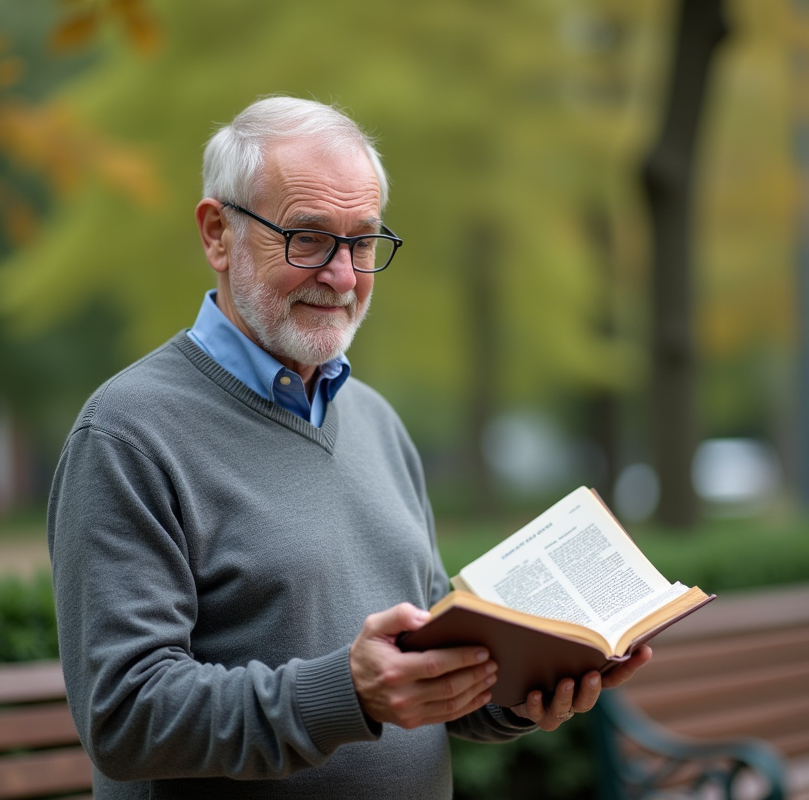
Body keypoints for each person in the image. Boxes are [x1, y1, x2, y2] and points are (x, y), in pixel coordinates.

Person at [48, 95, 651, 799]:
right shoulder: (126, 433)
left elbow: (421, 673)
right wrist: (348, 694)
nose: (341, 276)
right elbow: (124, 718)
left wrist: (518, 690)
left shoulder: (375, 421)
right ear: (217, 234)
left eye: (363, 242)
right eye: (307, 237)